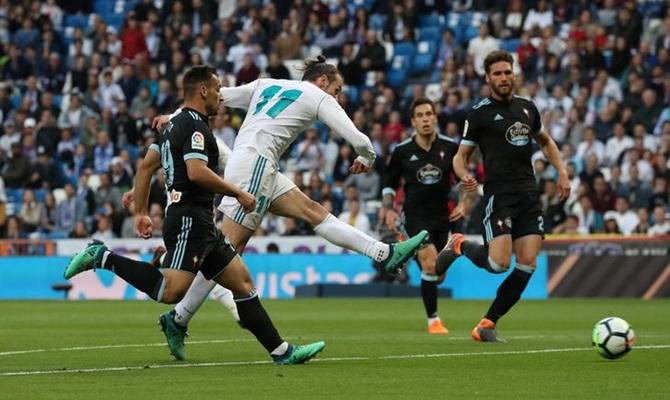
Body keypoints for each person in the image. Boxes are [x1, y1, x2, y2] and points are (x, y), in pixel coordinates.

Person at [145, 57, 428, 360]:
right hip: (256, 166)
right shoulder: (317, 95)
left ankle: (383, 253)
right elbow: (358, 139)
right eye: (337, 89)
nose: (338, 97)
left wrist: (173, 115)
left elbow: (218, 95)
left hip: (258, 166)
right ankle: (178, 317)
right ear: (322, 81)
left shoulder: (266, 84)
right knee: (225, 251)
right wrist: (368, 157)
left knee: (312, 211)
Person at [64, 65, 325, 365]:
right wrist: (238, 192)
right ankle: (102, 256)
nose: (219, 96)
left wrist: (140, 212)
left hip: (200, 222)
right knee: (170, 291)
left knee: (241, 282)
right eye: (217, 89)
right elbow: (197, 172)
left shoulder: (173, 125)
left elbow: (147, 167)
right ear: (203, 91)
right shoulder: (196, 127)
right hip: (189, 218)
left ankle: (281, 352)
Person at [435, 51, 570, 342]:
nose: (504, 78)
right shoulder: (479, 113)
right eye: (497, 73)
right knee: (498, 264)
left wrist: (562, 172)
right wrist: (463, 174)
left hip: (529, 194)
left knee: (527, 263)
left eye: (507, 72)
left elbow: (546, 142)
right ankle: (459, 245)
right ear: (488, 78)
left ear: (514, 74)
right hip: (500, 195)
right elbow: (461, 156)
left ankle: (487, 324)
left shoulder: (527, 108)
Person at [382, 97, 466, 334]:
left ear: (435, 117)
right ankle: (434, 322)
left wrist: (464, 202)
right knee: (429, 265)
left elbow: (463, 181)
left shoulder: (450, 148)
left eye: (429, 114)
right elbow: (389, 184)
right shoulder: (401, 152)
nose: (425, 119)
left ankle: (432, 256)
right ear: (413, 121)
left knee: (437, 275)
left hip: (442, 219)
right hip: (414, 218)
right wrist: (389, 208)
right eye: (420, 115)